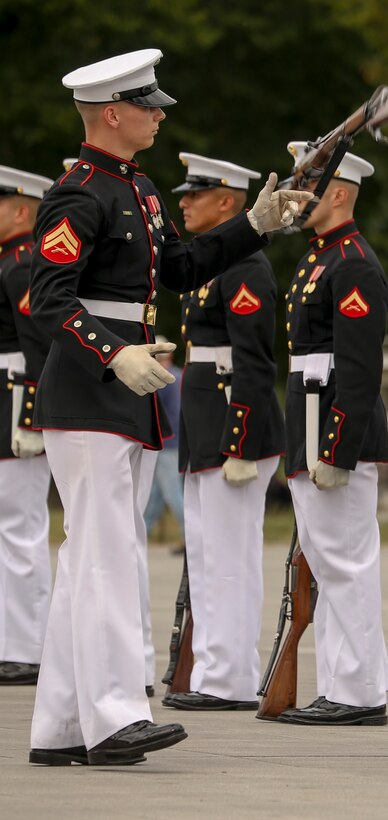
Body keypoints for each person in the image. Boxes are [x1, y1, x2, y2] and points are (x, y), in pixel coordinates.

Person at [27, 49, 310, 766]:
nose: (160, 113)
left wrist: (255, 226)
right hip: (92, 387)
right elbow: (49, 295)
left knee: (94, 556)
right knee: (105, 559)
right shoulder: (78, 192)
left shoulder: (139, 190)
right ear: (112, 113)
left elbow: (179, 271)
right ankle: (115, 717)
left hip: (118, 389)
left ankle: (61, 726)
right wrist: (109, 350)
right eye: (148, 105)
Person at [162, 153, 285, 712]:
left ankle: (230, 678)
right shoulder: (210, 263)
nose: (183, 202)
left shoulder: (245, 266)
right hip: (205, 428)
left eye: (196, 194)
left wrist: (240, 442)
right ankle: (212, 669)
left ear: (229, 203)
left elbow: (256, 362)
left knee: (230, 556)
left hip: (234, 431)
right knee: (208, 555)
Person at [275, 148, 388, 727]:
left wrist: (338, 448)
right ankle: (347, 683)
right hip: (309, 415)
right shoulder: (319, 258)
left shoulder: (354, 264)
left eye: (308, 184)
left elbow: (360, 369)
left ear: (339, 193)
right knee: (327, 559)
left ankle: (358, 692)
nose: (298, 195)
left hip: (333, 423)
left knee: (345, 560)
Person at [0, 166, 53, 687]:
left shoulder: (21, 263)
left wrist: (33, 415)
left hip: (17, 397)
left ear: (20, 210)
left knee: (20, 527)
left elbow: (38, 344)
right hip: (7, 396)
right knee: (8, 527)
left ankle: (28, 646)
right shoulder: (9, 262)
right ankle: (11, 641)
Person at [142, 339, 185, 543]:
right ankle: (142, 530)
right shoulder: (178, 374)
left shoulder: (162, 377)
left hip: (166, 442)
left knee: (172, 494)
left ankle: (191, 534)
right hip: (174, 440)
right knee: (156, 494)